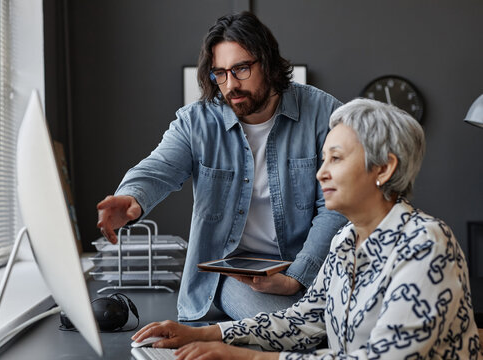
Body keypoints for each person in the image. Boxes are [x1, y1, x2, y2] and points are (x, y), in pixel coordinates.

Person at [131, 98, 482, 359]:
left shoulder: (425, 243)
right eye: (323, 158)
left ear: (384, 169)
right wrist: (207, 333)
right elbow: (304, 321)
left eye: (337, 158)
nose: (321, 173)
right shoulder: (346, 239)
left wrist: (251, 358)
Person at [97, 11, 346, 321]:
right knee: (297, 329)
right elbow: (159, 167)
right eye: (220, 73)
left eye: (241, 69)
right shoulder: (196, 121)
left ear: (267, 62)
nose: (230, 85)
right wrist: (132, 196)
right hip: (232, 274)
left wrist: (297, 276)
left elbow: (337, 205)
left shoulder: (324, 114)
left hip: (310, 268)